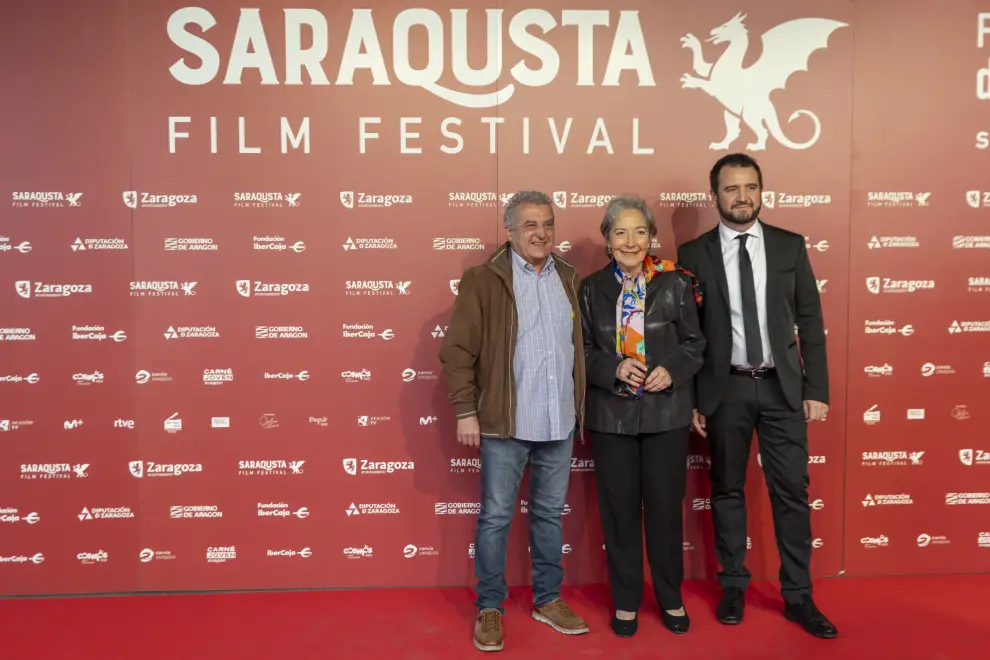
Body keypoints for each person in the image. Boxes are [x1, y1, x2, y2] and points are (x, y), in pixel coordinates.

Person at [676, 154, 837, 639]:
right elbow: (689, 334)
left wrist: (818, 389)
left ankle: (798, 596)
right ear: (716, 196)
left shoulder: (790, 247)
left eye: (750, 187)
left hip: (782, 388)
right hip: (724, 389)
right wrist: (695, 400)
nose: (742, 196)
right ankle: (733, 585)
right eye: (731, 189)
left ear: (762, 191)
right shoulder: (693, 254)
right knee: (726, 489)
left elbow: (810, 320)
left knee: (791, 490)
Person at [439, 190, 590, 652]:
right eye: (529, 225)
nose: (540, 233)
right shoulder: (484, 280)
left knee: (548, 515)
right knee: (497, 518)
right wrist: (466, 410)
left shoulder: (570, 277)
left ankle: (547, 599)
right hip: (505, 424)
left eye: (547, 224)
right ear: (509, 230)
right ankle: (490, 606)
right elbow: (458, 351)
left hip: (558, 421)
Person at [578, 195, 705, 638]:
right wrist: (611, 367)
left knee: (667, 513)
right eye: (619, 232)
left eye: (639, 232)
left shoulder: (675, 283)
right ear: (607, 240)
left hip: (666, 415)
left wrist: (671, 370)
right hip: (611, 417)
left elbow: (694, 343)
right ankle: (627, 601)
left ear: (651, 236)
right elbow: (583, 352)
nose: (630, 241)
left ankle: (670, 596)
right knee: (620, 514)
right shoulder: (591, 288)